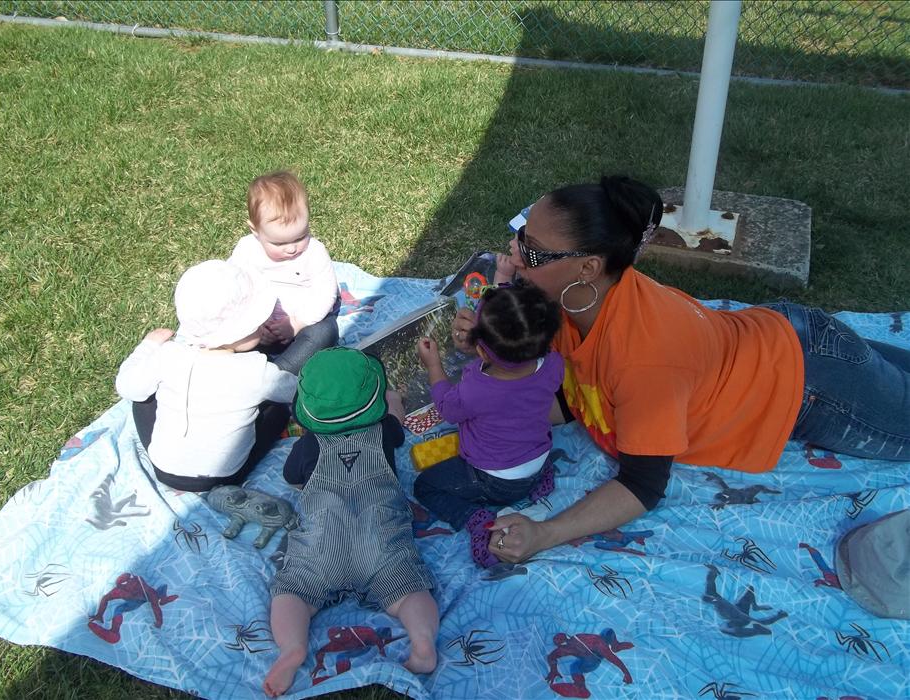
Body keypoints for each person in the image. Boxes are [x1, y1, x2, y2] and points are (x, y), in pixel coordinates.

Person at [449, 175, 910, 564]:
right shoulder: (579, 300)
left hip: (813, 385)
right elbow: (575, 395)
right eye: (519, 233)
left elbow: (641, 485)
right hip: (788, 335)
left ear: (588, 267)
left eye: (531, 251)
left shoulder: (643, 360)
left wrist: (544, 533)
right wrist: (487, 351)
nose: (513, 252)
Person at [264, 348, 438, 696]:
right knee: (409, 593)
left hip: (322, 548)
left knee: (292, 592)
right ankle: (422, 644)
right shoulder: (386, 430)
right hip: (381, 543)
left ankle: (292, 650)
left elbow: (292, 478)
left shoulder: (308, 445)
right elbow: (396, 418)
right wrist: (393, 402)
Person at [414, 282, 564, 568]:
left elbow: (447, 408)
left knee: (425, 486)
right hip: (537, 458)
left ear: (480, 351)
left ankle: (474, 518)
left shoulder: (477, 388)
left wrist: (433, 364)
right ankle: (539, 479)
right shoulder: (554, 363)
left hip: (494, 480)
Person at [116, 260, 298, 492]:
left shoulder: (168, 355)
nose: (263, 325)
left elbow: (127, 386)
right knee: (277, 408)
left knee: (142, 396)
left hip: (164, 469)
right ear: (240, 330)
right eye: (257, 324)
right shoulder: (256, 370)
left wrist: (148, 345)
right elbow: (297, 392)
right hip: (227, 475)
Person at [230, 170, 339, 375]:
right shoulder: (246, 251)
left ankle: (277, 375)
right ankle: (238, 372)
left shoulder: (314, 252)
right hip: (258, 329)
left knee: (326, 331)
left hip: (301, 326)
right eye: (279, 243)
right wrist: (256, 327)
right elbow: (235, 288)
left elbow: (325, 294)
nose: (291, 249)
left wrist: (297, 323)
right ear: (255, 231)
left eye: (300, 237)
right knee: (225, 328)